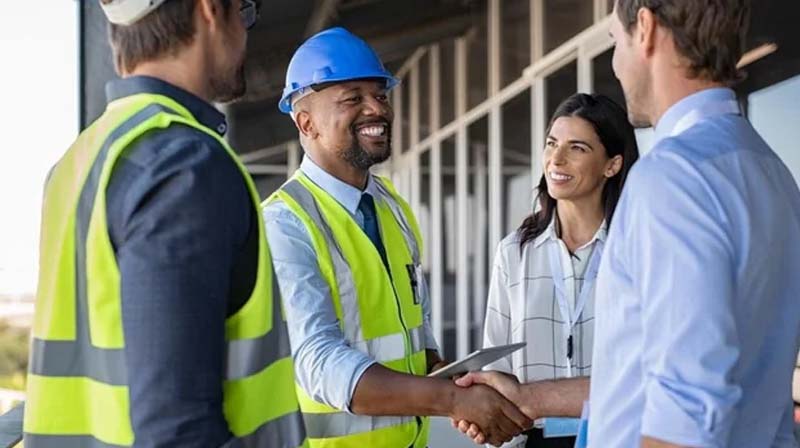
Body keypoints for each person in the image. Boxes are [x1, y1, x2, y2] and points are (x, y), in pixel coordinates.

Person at [457, 0, 800, 447]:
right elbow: (645, 380)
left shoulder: (673, 178)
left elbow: (683, 408)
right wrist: (530, 398)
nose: (616, 63)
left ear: (646, 28)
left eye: (615, 41)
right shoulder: (770, 170)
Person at [23, 1, 308, 447]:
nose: (247, 31)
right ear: (211, 10)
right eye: (245, 11)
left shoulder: (79, 160)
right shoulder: (183, 166)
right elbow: (178, 434)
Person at [263, 27, 532, 448]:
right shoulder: (285, 223)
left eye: (381, 95)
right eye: (353, 98)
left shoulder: (391, 207)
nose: (377, 109)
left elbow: (414, 339)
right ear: (306, 122)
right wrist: (451, 402)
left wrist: (461, 381)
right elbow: (318, 363)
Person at [473, 93, 638, 448]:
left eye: (577, 148)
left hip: (618, 436)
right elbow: (495, 360)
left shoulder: (638, 249)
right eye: (552, 144)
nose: (556, 159)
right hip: (533, 440)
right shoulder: (514, 252)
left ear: (612, 165)